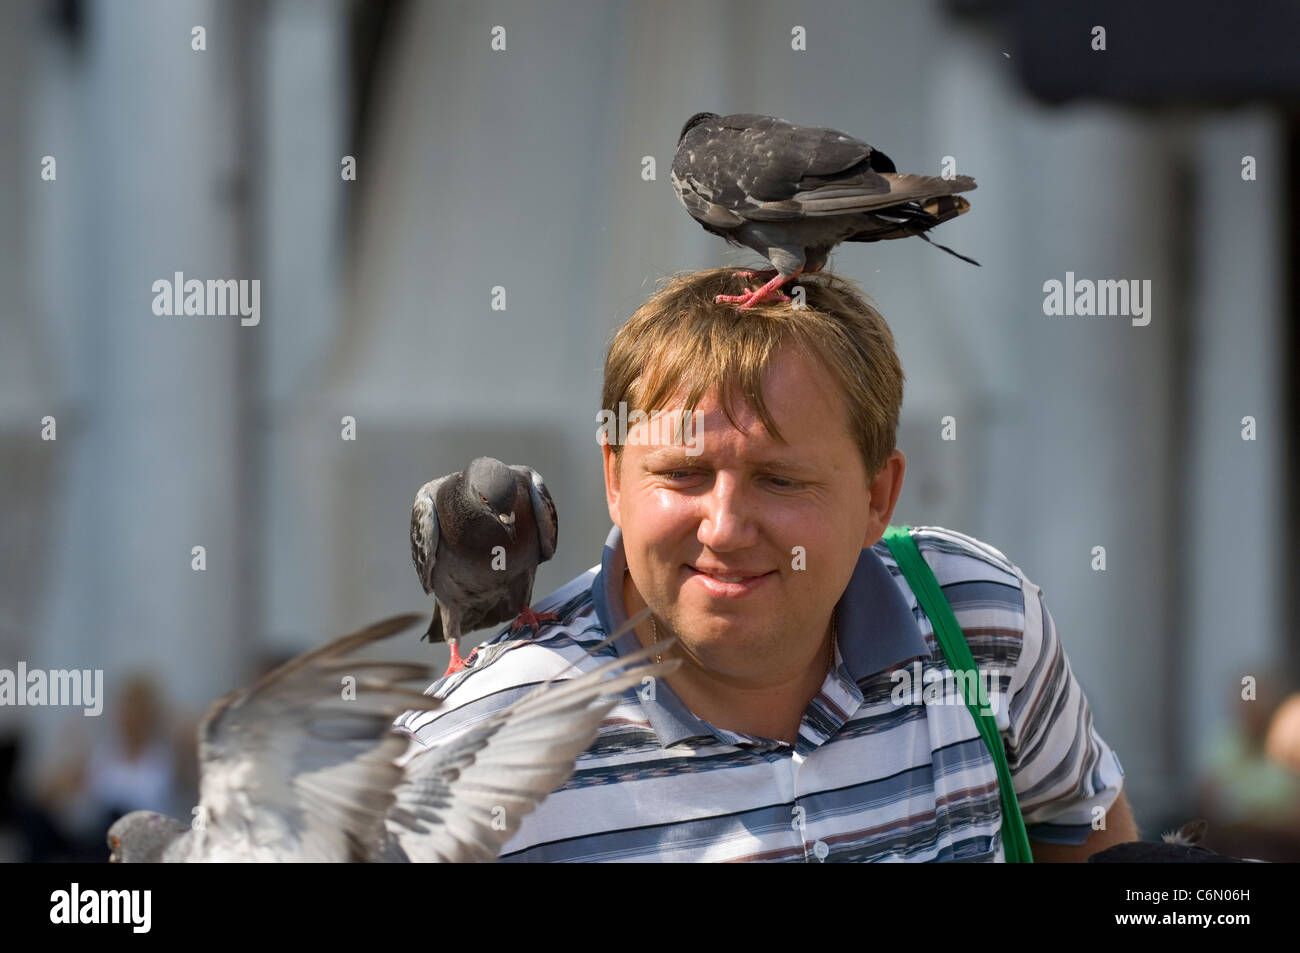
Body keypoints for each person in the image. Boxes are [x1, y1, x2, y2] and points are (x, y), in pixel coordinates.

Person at [395, 267, 1135, 862]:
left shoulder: (980, 621)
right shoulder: (465, 748)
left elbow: (1084, 827)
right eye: (683, 474)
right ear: (615, 481)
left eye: (781, 480)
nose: (724, 527)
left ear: (879, 495)